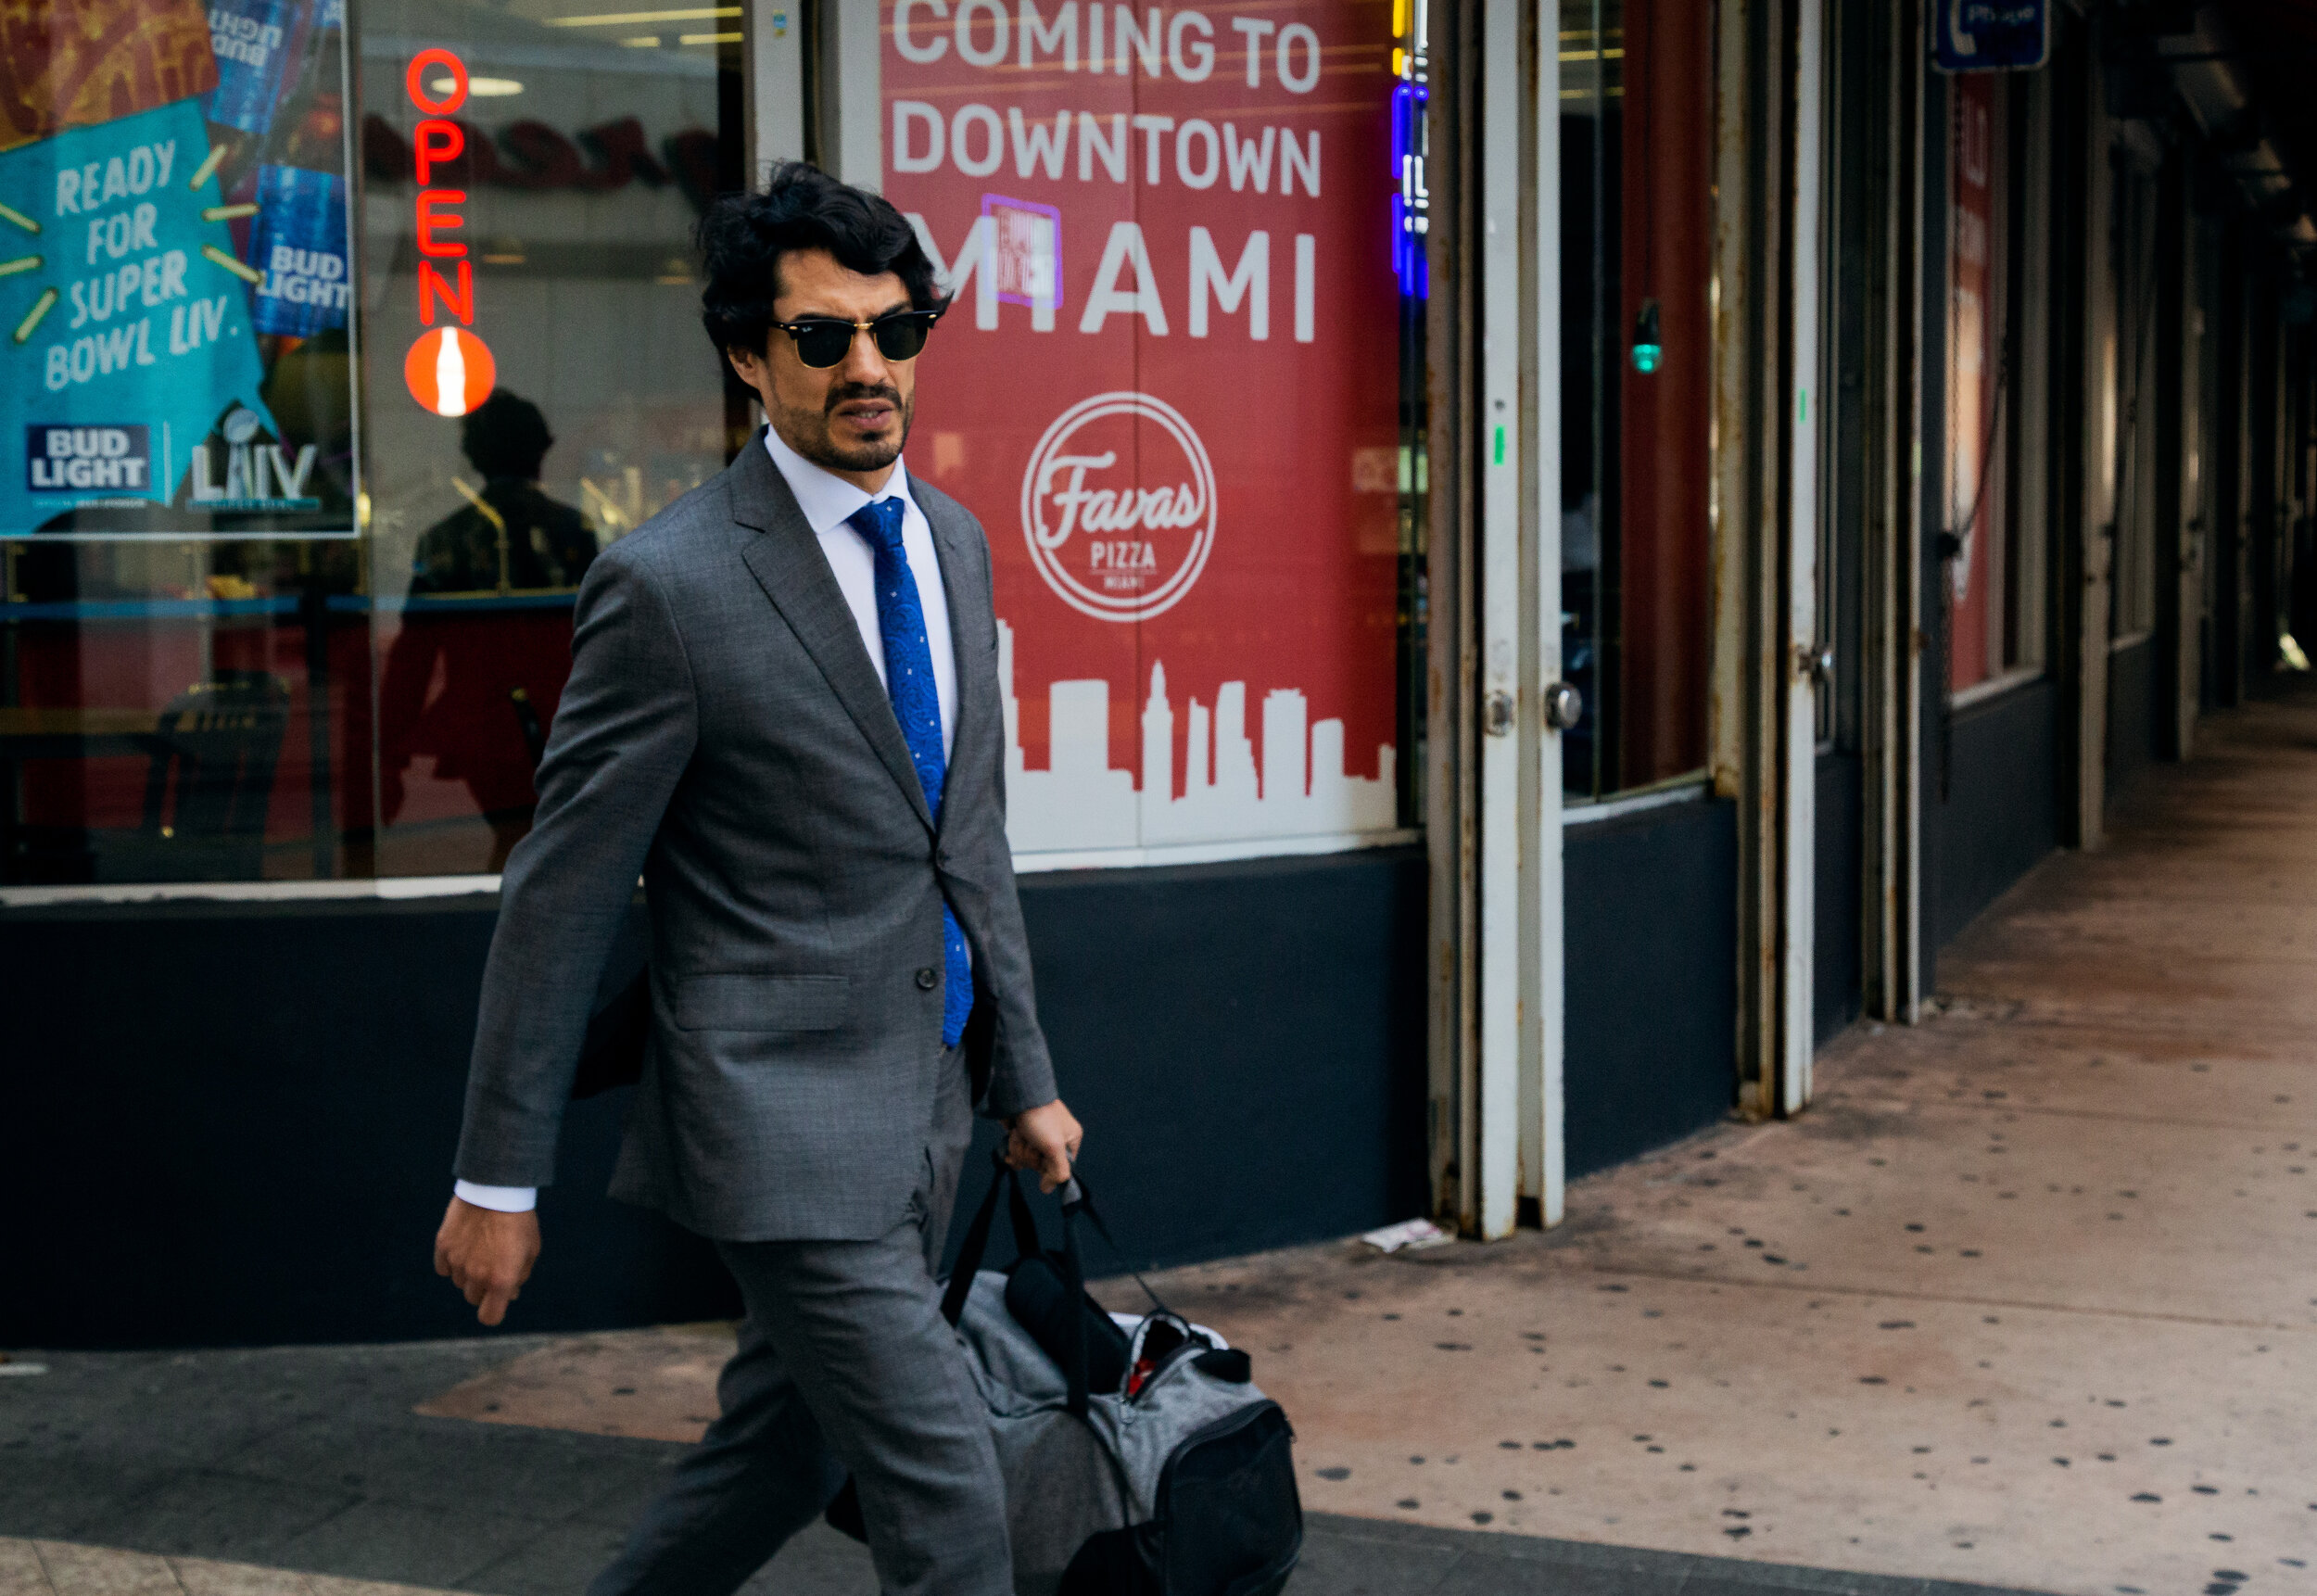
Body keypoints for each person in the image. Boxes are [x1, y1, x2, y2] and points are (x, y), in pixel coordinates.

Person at [431, 161, 1083, 1596]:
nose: (870, 366)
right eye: (822, 336)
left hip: (928, 1100)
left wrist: (1022, 1072)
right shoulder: (671, 586)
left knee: (781, 1453)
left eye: (897, 329)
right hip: (776, 1118)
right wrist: (497, 1173)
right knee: (952, 1491)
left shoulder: (956, 546)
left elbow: (966, 840)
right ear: (746, 352)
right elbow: (563, 891)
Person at [378, 391, 600, 868]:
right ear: (540, 451)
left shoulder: (445, 538)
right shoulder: (571, 530)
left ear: (474, 456)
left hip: (478, 721)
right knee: (543, 843)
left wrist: (390, 748)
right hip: (563, 712)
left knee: (514, 839)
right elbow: (602, 638)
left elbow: (413, 653)